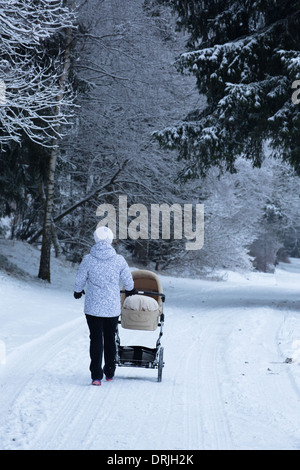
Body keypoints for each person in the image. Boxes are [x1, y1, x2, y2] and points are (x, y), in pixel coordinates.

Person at [74, 226, 136, 386]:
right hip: (111, 308)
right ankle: (109, 372)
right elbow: (128, 280)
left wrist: (78, 291)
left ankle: (96, 376)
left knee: (95, 339)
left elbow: (80, 278)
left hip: (93, 308)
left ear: (95, 239)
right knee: (110, 338)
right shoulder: (119, 260)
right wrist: (130, 290)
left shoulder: (88, 259)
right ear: (110, 240)